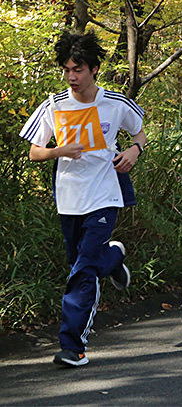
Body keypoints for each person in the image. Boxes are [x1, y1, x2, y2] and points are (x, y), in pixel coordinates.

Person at [19, 31, 146, 367]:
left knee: (82, 271)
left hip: (105, 195)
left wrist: (135, 149)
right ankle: (114, 258)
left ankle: (73, 346)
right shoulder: (55, 105)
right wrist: (60, 150)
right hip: (69, 198)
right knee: (80, 263)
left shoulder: (115, 104)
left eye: (78, 69)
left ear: (94, 69)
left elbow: (140, 131)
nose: (71, 77)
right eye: (67, 70)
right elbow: (34, 151)